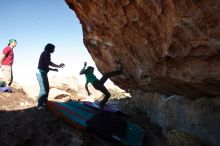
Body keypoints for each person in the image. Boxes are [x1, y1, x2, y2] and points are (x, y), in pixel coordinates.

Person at [36, 43, 65, 110]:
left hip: (42, 72)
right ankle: (40, 105)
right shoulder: (46, 53)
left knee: (46, 88)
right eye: (53, 49)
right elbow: (48, 63)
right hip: (41, 73)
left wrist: (54, 69)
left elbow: (44, 65)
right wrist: (58, 66)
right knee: (43, 89)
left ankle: (44, 102)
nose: (54, 50)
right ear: (50, 48)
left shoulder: (45, 53)